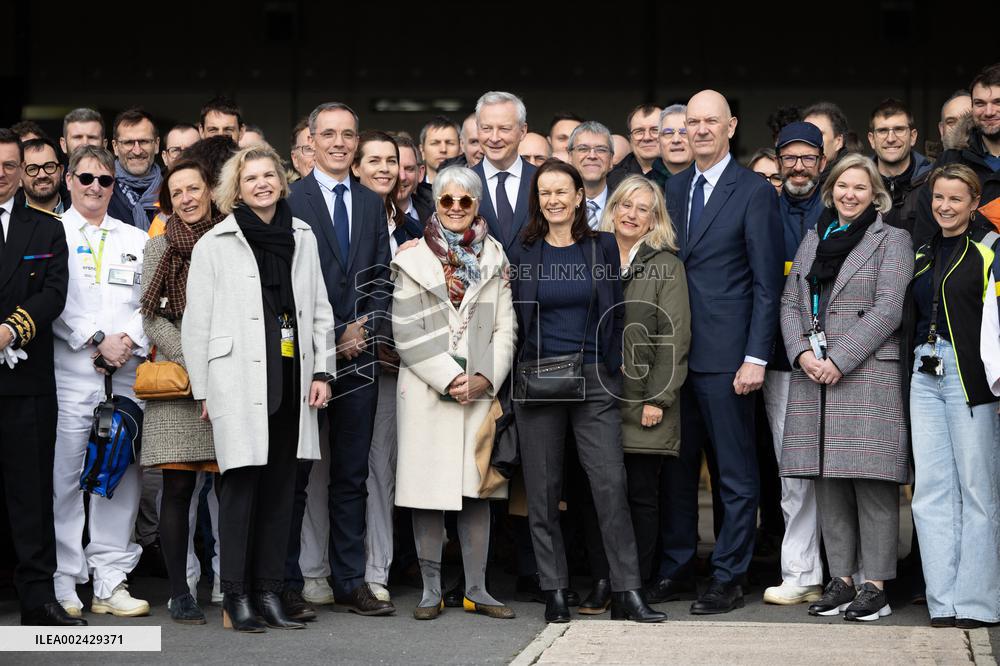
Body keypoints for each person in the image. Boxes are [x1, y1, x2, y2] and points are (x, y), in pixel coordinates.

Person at [183, 144, 335, 632]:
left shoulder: (302, 235)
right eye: (252, 179)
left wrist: (322, 372)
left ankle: (269, 593)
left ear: (282, 181)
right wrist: (204, 391)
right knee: (241, 488)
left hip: (292, 377)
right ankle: (235, 597)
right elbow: (195, 324)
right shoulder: (216, 243)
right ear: (236, 189)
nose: (262, 184)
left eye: (270, 175)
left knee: (280, 490)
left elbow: (319, 310)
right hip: (236, 380)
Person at [508, 159, 665, 624]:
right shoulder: (523, 250)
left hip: (595, 380)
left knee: (610, 486)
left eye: (563, 191)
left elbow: (616, 313)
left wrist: (612, 366)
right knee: (543, 490)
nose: (553, 200)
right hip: (538, 381)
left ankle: (627, 591)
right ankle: (554, 588)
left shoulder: (601, 247)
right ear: (538, 201)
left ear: (580, 197)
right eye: (545, 193)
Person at [651, 90, 783, 614]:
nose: (699, 130)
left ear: (732, 126)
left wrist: (756, 357)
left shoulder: (753, 191)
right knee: (678, 473)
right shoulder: (676, 187)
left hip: (729, 359)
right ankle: (680, 567)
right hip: (675, 357)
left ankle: (729, 576)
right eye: (692, 122)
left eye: (711, 121)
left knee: (734, 473)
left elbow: (767, 283)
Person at [780, 153, 913, 623]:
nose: (849, 194)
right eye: (842, 186)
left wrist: (839, 359)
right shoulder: (816, 237)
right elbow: (791, 301)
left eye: (859, 187)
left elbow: (888, 309)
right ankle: (843, 580)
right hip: (813, 373)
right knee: (828, 480)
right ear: (831, 190)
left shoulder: (892, 240)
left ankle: (875, 586)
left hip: (865, 372)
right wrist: (801, 353)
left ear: (874, 193)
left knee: (871, 482)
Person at [389, 165, 516, 620]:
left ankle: (477, 590)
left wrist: (484, 375)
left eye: (465, 201)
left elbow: (504, 326)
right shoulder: (411, 259)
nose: (457, 209)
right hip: (426, 393)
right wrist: (449, 377)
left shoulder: (495, 257)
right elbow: (406, 332)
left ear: (476, 206)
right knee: (427, 493)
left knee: (475, 490)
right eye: (448, 201)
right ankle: (429, 590)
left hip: (479, 392)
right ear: (436, 205)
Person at [286, 102, 394, 617]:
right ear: (310, 140)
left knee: (352, 475)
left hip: (360, 359)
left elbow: (380, 278)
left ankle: (351, 580)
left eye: (347, 134)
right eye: (327, 134)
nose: (338, 142)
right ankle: (287, 581)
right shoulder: (290, 200)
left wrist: (364, 329)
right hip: (307, 359)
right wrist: (332, 335)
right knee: (298, 473)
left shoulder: (373, 203)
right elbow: (286, 288)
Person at [577, 175, 690, 614]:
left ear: (654, 219)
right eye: (625, 204)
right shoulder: (590, 255)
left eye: (643, 209)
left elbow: (673, 336)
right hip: (595, 397)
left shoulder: (667, 264)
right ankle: (604, 580)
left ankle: (633, 585)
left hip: (643, 398)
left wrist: (657, 400)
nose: (631, 214)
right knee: (596, 495)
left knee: (639, 497)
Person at [52, 145, 151, 618]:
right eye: (86, 178)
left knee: (119, 474)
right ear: (69, 180)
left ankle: (112, 580)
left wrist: (126, 340)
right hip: (72, 373)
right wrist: (95, 339)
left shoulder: (137, 237)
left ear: (115, 186)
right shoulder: (51, 232)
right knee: (66, 477)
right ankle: (67, 579)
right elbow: (48, 298)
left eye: (104, 180)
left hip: (126, 374)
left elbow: (152, 299)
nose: (95, 188)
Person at [904, 164, 1000, 630]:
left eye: (955, 199)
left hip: (971, 378)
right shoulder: (920, 253)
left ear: (974, 203)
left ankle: (978, 603)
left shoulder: (990, 252)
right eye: (938, 197)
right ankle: (943, 601)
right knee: (931, 492)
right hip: (924, 376)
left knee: (978, 491)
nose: (944, 206)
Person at [0, 128, 83, 627]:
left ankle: (38, 598)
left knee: (31, 492)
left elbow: (53, 295)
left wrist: (10, 330)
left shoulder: (46, 227)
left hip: (25, 379)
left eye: (11, 165)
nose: (2, 173)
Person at [138, 159, 222, 624]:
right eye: (178, 192)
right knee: (177, 488)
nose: (187, 198)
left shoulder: (231, 240)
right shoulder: (158, 247)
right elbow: (151, 316)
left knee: (230, 488)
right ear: (168, 201)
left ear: (210, 191)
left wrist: (217, 367)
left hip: (224, 381)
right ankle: (179, 592)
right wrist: (194, 361)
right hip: (178, 381)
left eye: (195, 188)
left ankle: (229, 584)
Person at [348, 130, 420, 605]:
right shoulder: (341, 219)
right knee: (331, 472)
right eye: (372, 161)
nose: (384, 170)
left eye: (391, 162)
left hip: (397, 367)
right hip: (344, 357)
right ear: (356, 167)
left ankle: (377, 571)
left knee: (380, 471)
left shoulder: (418, 232)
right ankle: (321, 570)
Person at [759, 121, 828, 606]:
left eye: (808, 158)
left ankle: (848, 570)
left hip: (837, 359)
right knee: (793, 472)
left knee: (842, 470)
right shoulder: (761, 206)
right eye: (791, 158)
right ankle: (801, 571)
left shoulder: (839, 205)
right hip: (782, 360)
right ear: (779, 162)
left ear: (822, 162)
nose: (799, 166)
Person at [472, 91, 536, 254]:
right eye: (486, 128)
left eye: (504, 129)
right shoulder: (462, 184)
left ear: (523, 131)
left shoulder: (542, 180)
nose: (494, 138)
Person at [867, 98, 933, 234]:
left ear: (913, 137)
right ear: (872, 139)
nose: (891, 139)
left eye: (899, 129)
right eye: (883, 131)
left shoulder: (933, 182)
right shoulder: (856, 185)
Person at [108, 108, 162, 231]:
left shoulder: (173, 191)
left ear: (157, 145)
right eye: (128, 142)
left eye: (144, 141)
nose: (137, 151)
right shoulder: (100, 190)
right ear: (115, 147)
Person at [568, 121, 614, 229]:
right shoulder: (558, 203)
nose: (592, 156)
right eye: (583, 149)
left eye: (601, 150)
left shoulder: (625, 205)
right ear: (570, 157)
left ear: (611, 159)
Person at [608, 104, 664, 191]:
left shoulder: (683, 173)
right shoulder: (611, 179)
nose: (647, 137)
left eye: (655, 130)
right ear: (630, 139)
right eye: (639, 131)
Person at [19, 138, 67, 213]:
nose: (42, 175)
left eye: (49, 167)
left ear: (61, 171)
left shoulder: (84, 212)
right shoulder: (6, 219)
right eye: (32, 169)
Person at [803, 101, 851, 172]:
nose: (808, 140)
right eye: (804, 134)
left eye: (818, 134)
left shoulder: (851, 176)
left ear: (838, 142)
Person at [395, 135, 433, 225]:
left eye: (409, 169)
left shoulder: (434, 217)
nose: (402, 177)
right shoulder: (365, 215)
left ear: (420, 173)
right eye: (395, 167)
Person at [419, 116, 461, 185]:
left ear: (461, 149)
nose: (443, 149)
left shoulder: (472, 190)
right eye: (435, 143)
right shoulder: (414, 193)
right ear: (422, 151)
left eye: (450, 143)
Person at [657, 104, 693, 180]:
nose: (676, 140)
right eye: (668, 133)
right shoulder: (644, 185)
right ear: (658, 140)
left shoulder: (713, 181)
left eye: (684, 133)